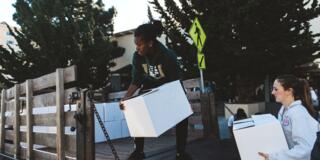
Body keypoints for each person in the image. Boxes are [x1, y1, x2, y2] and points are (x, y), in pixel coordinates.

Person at [120, 21, 191, 160]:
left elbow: (176, 83)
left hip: (168, 88)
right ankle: (138, 152)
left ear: (150, 43)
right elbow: (136, 80)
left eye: (139, 44)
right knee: (136, 108)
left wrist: (180, 104)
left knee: (183, 116)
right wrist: (126, 97)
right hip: (149, 89)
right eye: (136, 44)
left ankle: (180, 153)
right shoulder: (137, 57)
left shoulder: (168, 56)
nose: (137, 48)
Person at [259, 75, 319, 160]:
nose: (272, 92)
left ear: (289, 91)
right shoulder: (283, 110)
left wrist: (273, 157)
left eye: (276, 89)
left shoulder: (298, 113)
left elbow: (304, 149)